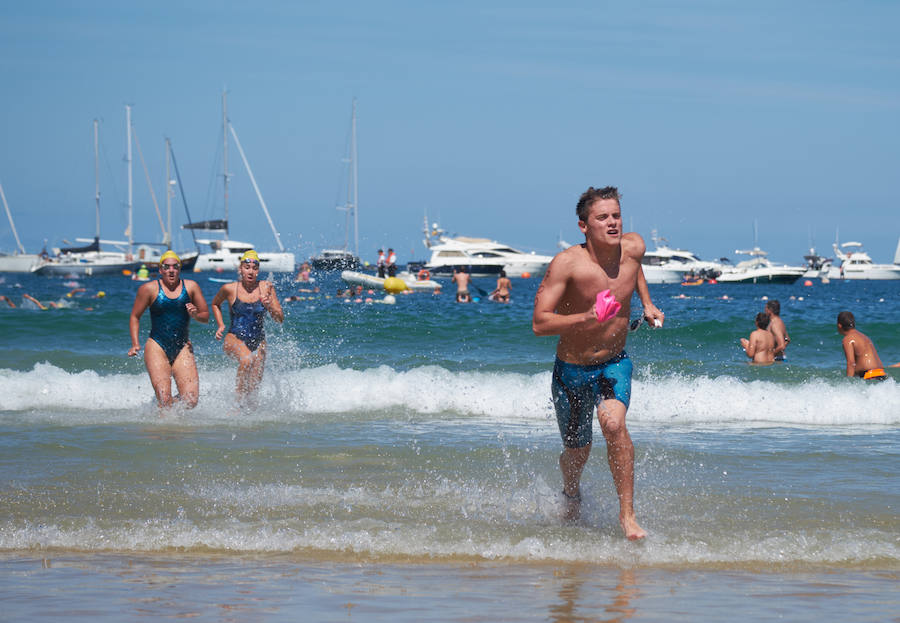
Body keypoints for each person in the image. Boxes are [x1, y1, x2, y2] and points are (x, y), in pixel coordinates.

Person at [532, 186, 664, 540]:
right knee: (578, 452)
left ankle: (627, 517)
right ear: (583, 226)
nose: (611, 223)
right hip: (571, 371)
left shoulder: (634, 247)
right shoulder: (567, 265)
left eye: (616, 216)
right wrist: (586, 317)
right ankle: (571, 491)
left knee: (613, 425)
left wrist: (647, 304)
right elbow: (539, 323)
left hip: (613, 363)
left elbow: (633, 270)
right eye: (602, 217)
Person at [128, 250, 209, 409]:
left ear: (179, 269)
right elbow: (134, 317)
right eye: (167, 267)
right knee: (165, 401)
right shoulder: (148, 289)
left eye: (175, 267)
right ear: (160, 270)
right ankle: (164, 427)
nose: (171, 270)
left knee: (191, 401)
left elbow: (205, 316)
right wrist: (135, 344)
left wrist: (195, 315)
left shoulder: (191, 287)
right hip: (156, 346)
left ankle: (168, 417)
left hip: (183, 347)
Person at [212, 250, 284, 400]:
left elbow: (279, 319)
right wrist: (220, 325)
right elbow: (215, 304)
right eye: (247, 267)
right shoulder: (229, 289)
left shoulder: (266, 287)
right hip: (234, 338)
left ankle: (249, 413)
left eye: (255, 268)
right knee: (246, 360)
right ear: (240, 269)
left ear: (258, 270)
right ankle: (237, 404)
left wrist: (269, 305)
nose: (251, 271)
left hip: (259, 342)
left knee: (253, 390)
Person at [836, 311, 887, 380]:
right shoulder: (864, 336)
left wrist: (848, 383)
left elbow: (851, 363)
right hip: (882, 374)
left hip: (869, 376)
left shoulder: (847, 339)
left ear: (839, 325)